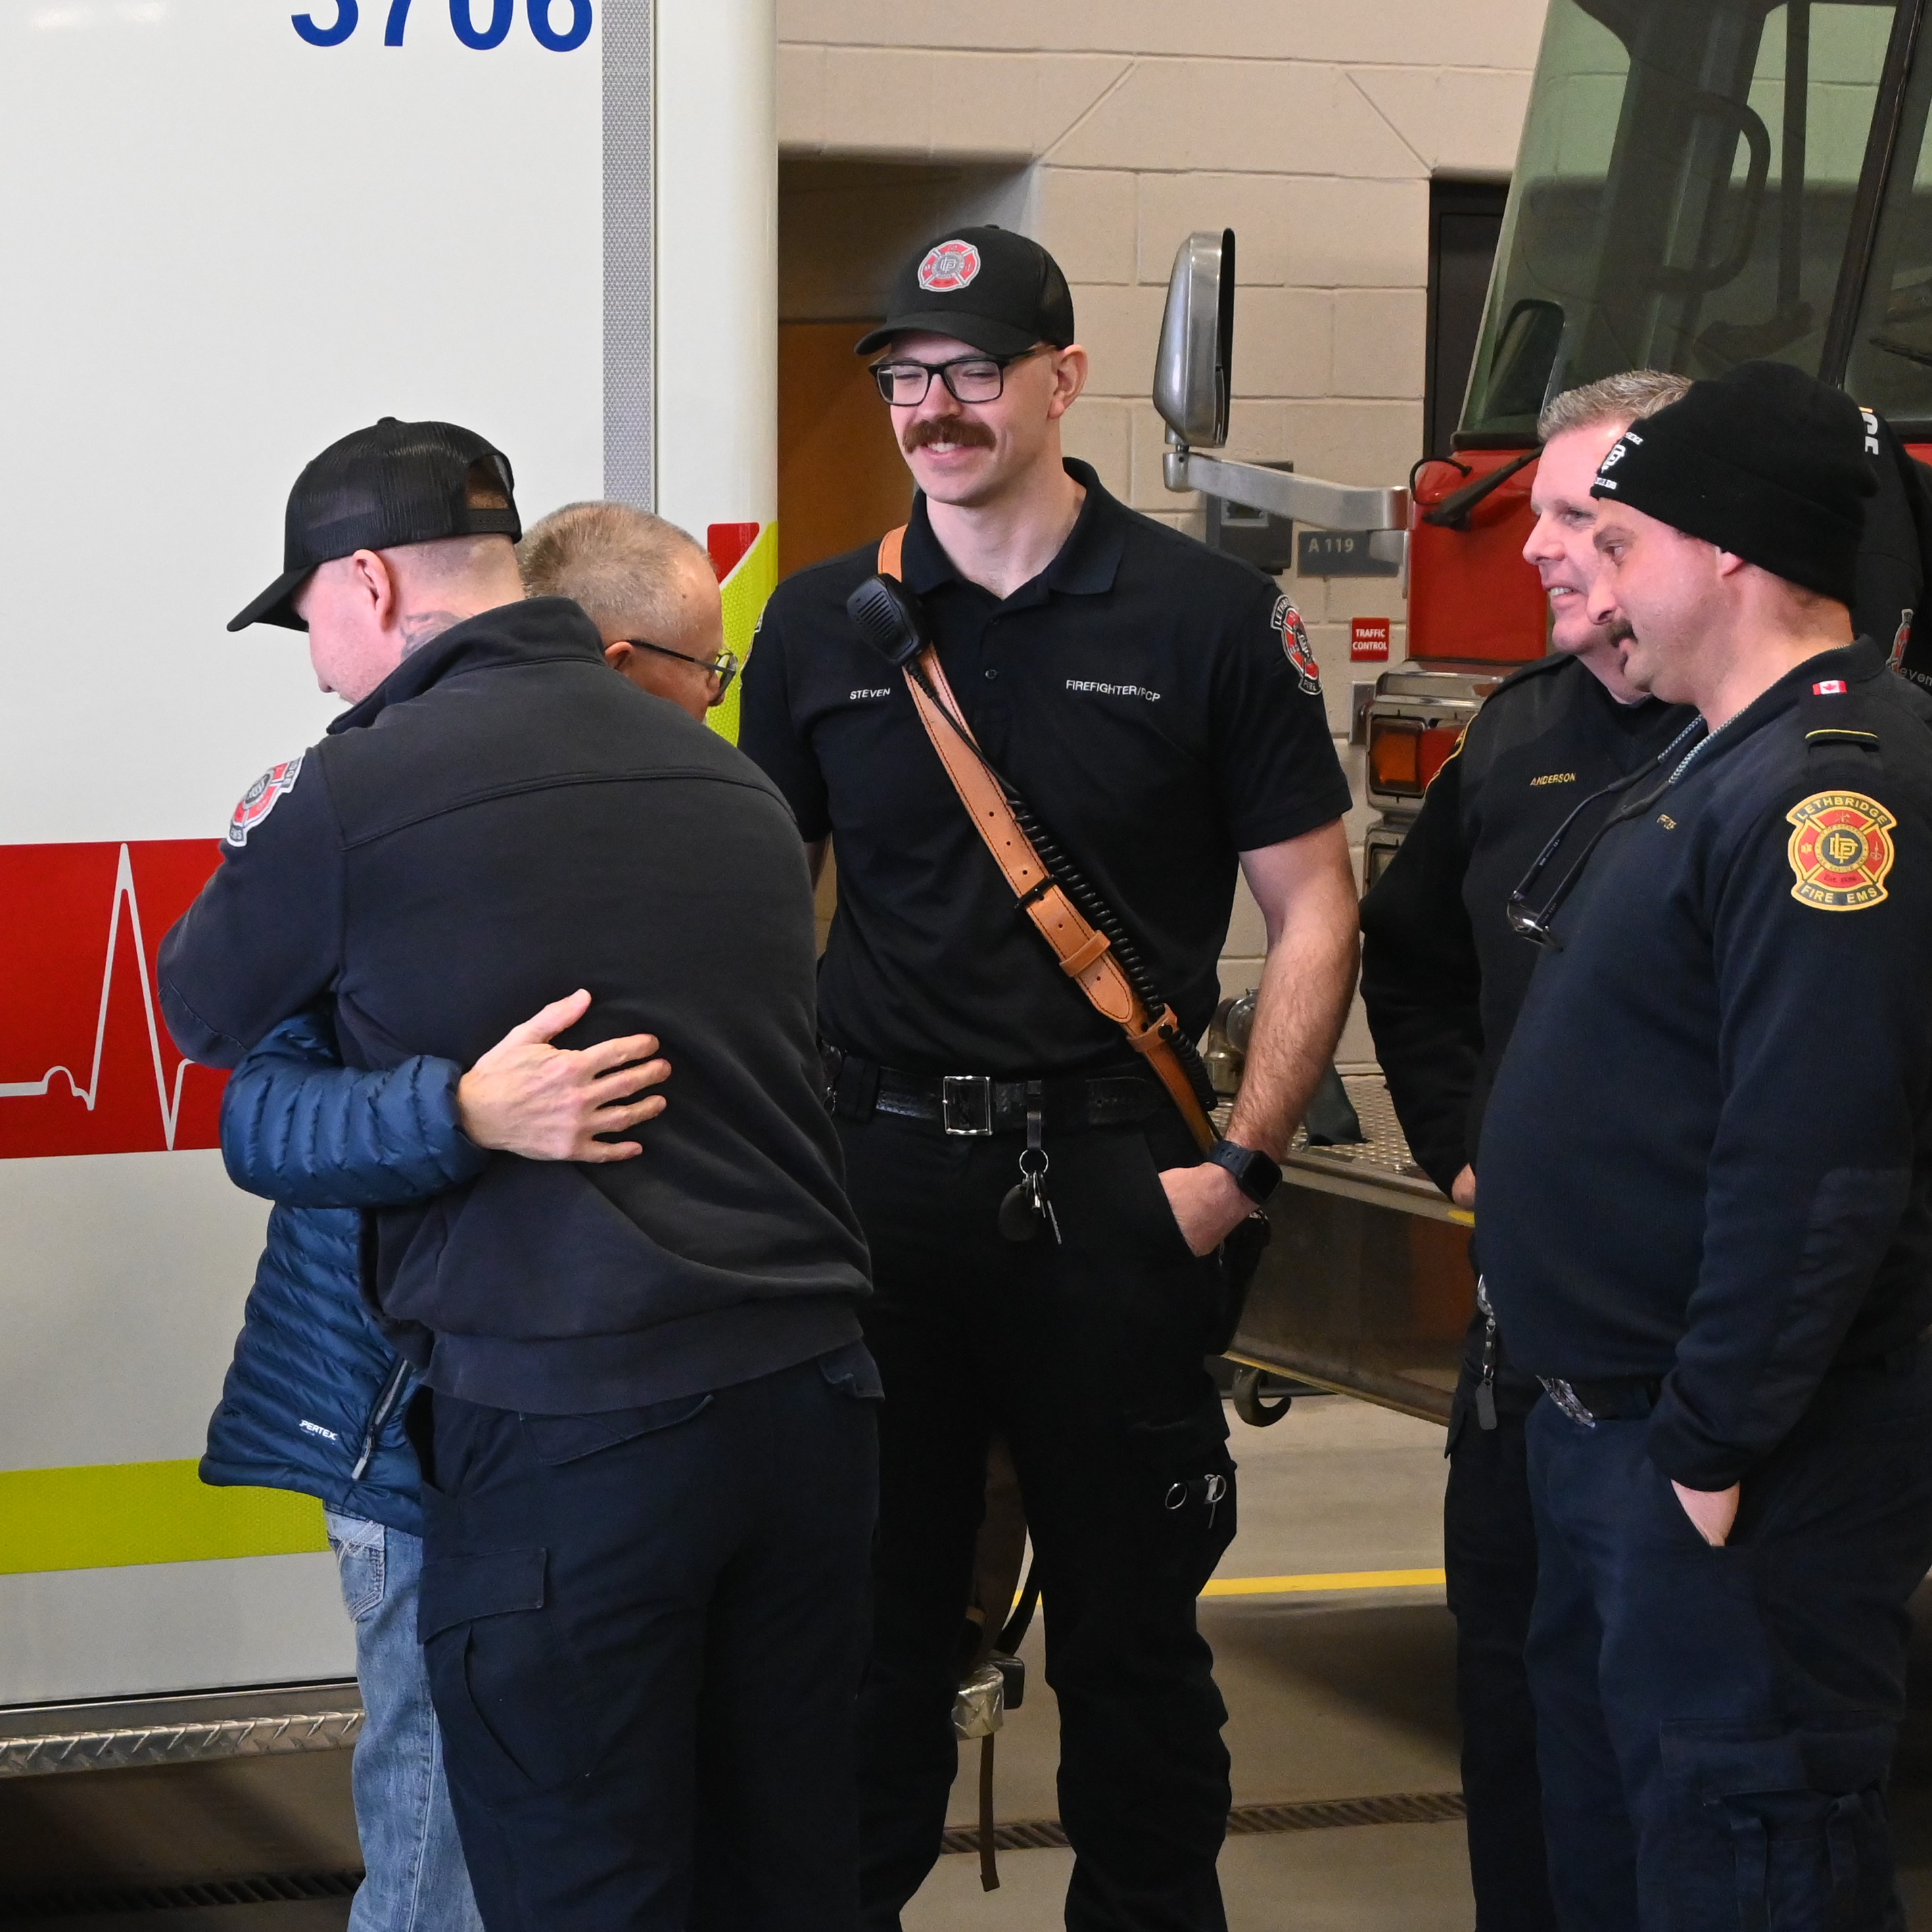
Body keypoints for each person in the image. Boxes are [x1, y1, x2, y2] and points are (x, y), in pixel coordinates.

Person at [158, 418, 876, 1931]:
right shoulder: (732, 789)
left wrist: (449, 1109)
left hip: (569, 1431)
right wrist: (459, 1103)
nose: (316, 666)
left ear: (367, 581)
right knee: (782, 1874)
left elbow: (206, 1016)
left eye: (312, 623)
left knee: (568, 1884)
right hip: (810, 1410)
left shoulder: (359, 788)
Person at [739, 226, 1359, 1932]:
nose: (932, 409)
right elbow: (747, 896)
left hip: (1116, 1192)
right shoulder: (818, 625)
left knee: (1131, 1637)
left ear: (1063, 380)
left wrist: (1243, 1158)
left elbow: (1315, 908)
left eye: (972, 372)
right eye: (904, 378)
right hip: (877, 1196)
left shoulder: (1208, 619)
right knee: (865, 1630)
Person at [1479, 360, 1932, 1929]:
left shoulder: (1831, 790)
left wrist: (1713, 1444)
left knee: (1749, 1857)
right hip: (1611, 1440)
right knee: (1632, 1856)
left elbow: (1819, 1154)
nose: (1594, 567)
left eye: (1625, 535)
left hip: (1724, 1472)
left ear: (1726, 551)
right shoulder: (1712, 756)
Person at [1359, 369, 1697, 1932]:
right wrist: (1463, 1151)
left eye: (1581, 517)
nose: (1538, 549)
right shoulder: (1521, 735)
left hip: (1692, 1368)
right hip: (1521, 1359)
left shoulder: (1788, 759)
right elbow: (1414, 955)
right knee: (1517, 1700)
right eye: (1541, 513)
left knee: (1691, 1752)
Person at [203, 993, 669, 1932]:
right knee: (438, 1830)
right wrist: (460, 1111)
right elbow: (252, 1094)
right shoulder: (352, 859)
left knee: (604, 1813)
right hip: (419, 1426)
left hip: (628, 1414)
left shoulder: (672, 867)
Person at [519, 501, 738, 717]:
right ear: (616, 670)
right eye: (707, 666)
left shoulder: (491, 737)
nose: (717, 694)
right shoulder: (702, 753)